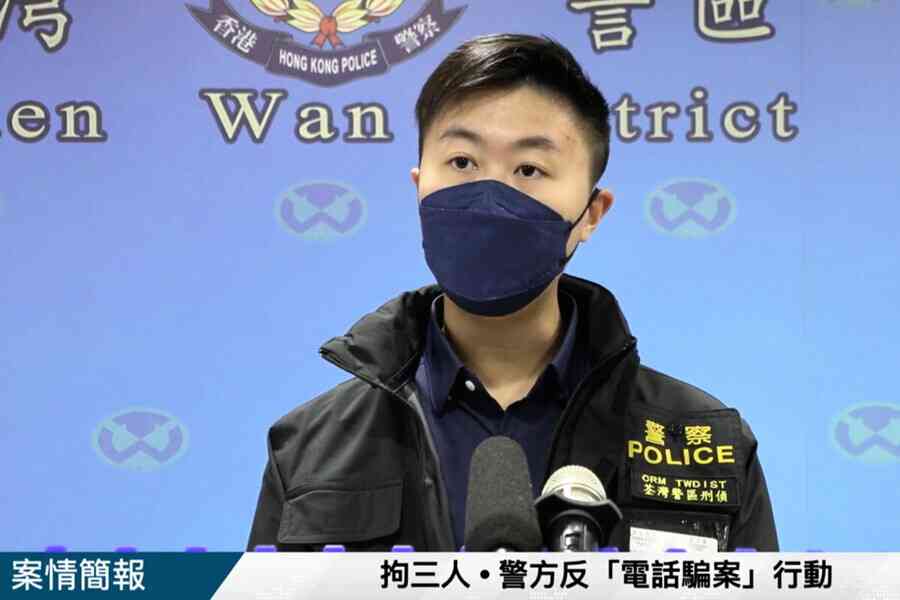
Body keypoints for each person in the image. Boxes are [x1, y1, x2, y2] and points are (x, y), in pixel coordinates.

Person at [246, 33, 778, 552]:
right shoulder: (310, 449)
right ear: (418, 185)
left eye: (529, 169)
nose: (490, 196)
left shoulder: (704, 448)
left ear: (592, 213)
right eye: (462, 163)